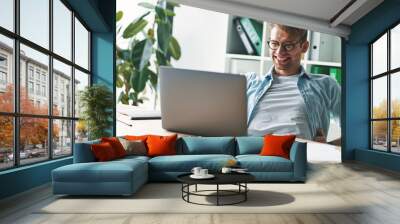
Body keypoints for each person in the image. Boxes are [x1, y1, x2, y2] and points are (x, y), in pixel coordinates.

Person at [246, 24, 341, 143]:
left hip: (295, 157)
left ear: (304, 47)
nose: (280, 52)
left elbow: (354, 131)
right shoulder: (249, 82)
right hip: (250, 154)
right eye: (274, 44)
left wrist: (326, 148)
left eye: (288, 46)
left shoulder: (326, 84)